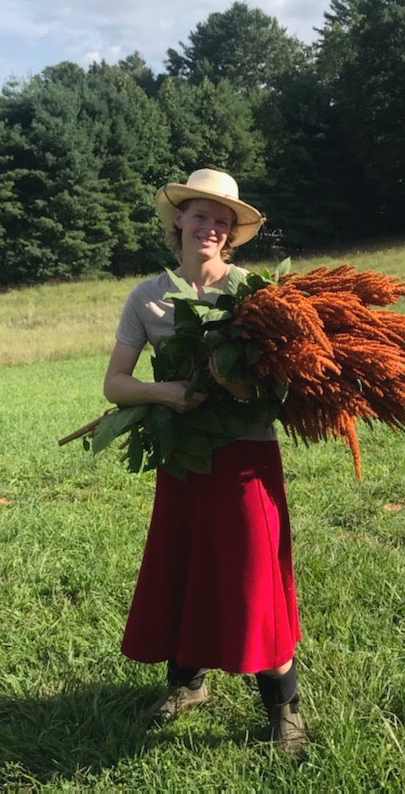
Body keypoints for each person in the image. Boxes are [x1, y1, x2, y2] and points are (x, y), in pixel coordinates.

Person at [103, 167, 306, 754]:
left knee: (255, 576)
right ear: (179, 221)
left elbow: (281, 390)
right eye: (200, 215)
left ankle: (283, 707)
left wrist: (235, 386)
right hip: (182, 457)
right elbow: (115, 384)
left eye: (222, 220)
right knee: (184, 566)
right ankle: (186, 684)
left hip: (247, 458)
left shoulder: (257, 296)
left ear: (233, 232)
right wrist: (165, 393)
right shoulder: (146, 296)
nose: (210, 227)